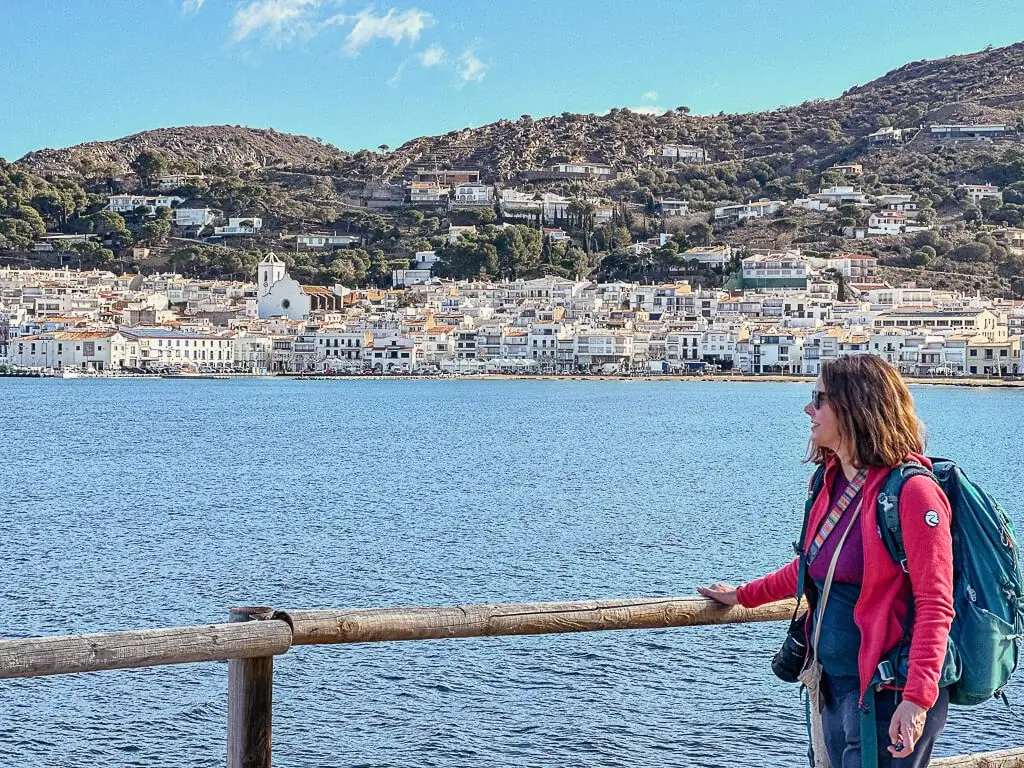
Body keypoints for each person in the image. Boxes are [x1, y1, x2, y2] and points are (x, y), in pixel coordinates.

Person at [697, 355, 954, 767]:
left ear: (855, 406)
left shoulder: (913, 493)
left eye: (819, 399)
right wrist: (742, 595)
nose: (808, 409)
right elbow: (811, 568)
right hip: (835, 687)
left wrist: (917, 700)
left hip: (887, 693)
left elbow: (935, 603)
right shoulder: (829, 481)